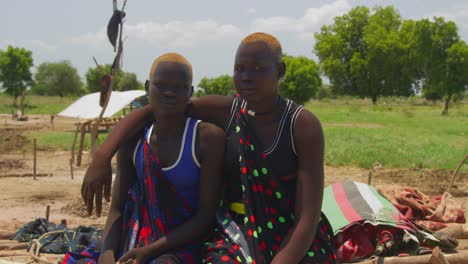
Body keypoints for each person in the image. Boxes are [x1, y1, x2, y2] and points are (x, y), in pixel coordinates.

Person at [82, 33, 336, 263]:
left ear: (280, 70)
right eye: (239, 69)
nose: (246, 76)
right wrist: (102, 157)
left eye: (258, 68)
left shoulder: (301, 124)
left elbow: (307, 216)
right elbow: (158, 108)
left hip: (292, 234)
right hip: (236, 230)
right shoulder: (230, 111)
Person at [97, 53, 224, 264]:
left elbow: (206, 216)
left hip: (190, 241)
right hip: (139, 236)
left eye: (180, 87)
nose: (169, 92)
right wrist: (106, 254)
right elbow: (118, 208)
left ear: (190, 92)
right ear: (148, 87)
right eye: (160, 84)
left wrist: (150, 251)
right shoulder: (134, 139)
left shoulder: (206, 138)